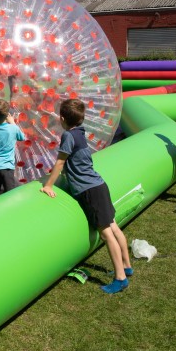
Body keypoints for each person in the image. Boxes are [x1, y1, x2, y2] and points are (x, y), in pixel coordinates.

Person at [41, 98, 132, 294]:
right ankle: (126, 266)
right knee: (114, 226)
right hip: (99, 185)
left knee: (106, 234)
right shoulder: (81, 133)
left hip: (88, 190)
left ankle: (120, 278)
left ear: (61, 117)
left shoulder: (68, 136)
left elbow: (59, 163)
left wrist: (48, 185)